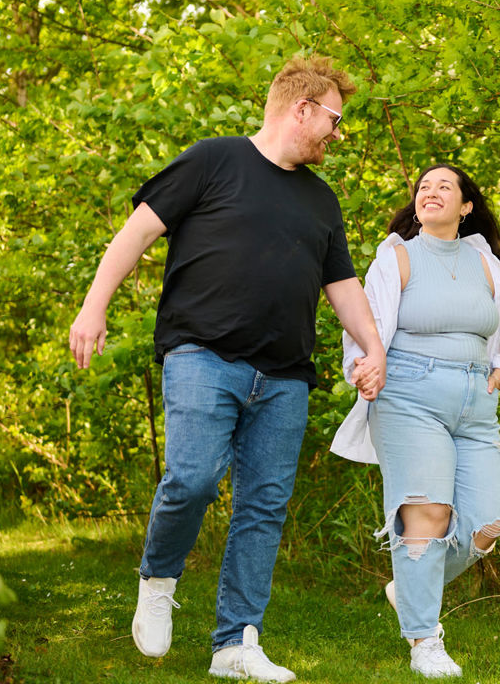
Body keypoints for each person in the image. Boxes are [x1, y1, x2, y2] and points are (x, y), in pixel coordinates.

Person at [68, 55, 386, 683]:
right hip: (202, 355)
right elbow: (136, 233)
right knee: (191, 479)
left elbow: (342, 283)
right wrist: (93, 307)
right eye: (334, 120)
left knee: (263, 507)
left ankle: (235, 644)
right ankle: (158, 581)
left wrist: (372, 346)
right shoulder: (213, 160)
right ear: (302, 110)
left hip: (285, 375)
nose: (338, 134)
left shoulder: (322, 200)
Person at [333, 163, 500, 678]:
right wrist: (364, 368)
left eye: (445, 186)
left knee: (489, 523)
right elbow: (364, 324)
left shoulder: (486, 263)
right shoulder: (397, 257)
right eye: (424, 186)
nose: (431, 191)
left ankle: (409, 587)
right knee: (429, 514)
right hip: (409, 394)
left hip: (476, 400)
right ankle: (424, 640)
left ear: (466, 207)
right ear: (417, 203)